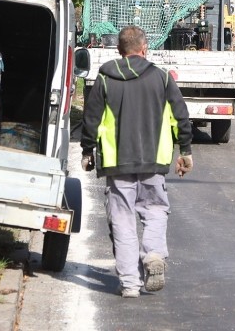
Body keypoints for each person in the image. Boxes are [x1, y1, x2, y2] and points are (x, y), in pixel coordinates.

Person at [80, 25, 193, 298]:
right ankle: (153, 253)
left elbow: (91, 119)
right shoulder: (163, 78)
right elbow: (180, 116)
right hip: (154, 161)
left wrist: (87, 151)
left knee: (122, 220)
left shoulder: (105, 79)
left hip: (118, 164)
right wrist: (185, 151)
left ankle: (130, 284)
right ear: (144, 49)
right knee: (155, 210)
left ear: (119, 51)